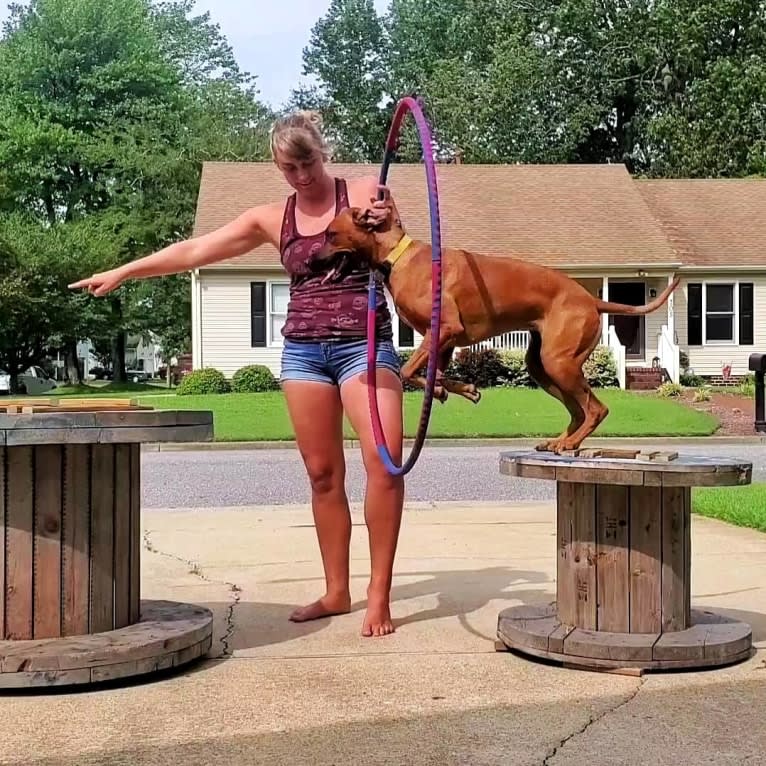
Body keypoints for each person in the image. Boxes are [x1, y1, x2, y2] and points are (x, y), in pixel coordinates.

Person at [69, 110, 406, 637]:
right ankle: (336, 591)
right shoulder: (271, 218)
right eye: (288, 167)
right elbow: (196, 249)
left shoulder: (363, 191)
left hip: (363, 346)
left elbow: (397, 247)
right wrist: (125, 270)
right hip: (303, 353)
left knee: (383, 465)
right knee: (322, 475)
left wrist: (388, 217)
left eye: (308, 162)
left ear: (324, 152)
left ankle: (377, 594)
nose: (300, 175)